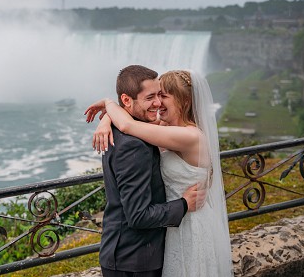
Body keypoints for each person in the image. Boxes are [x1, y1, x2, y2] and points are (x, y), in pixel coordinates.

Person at [84, 68, 233, 277]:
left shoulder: (190, 136)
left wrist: (108, 104)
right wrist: (107, 117)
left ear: (185, 102)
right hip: (167, 228)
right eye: (154, 96)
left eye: (163, 96)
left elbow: (127, 124)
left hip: (190, 225)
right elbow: (128, 122)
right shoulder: (162, 125)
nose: (158, 103)